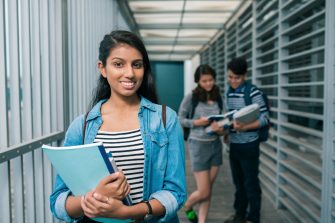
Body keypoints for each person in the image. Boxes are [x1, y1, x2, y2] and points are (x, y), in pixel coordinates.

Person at [50, 30, 186, 223]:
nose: (129, 73)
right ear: (102, 68)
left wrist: (127, 213)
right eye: (118, 64)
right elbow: (58, 202)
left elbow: (176, 193)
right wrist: (94, 197)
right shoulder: (81, 127)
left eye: (137, 65)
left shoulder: (165, 120)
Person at [223, 58, 269, 223]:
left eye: (237, 78)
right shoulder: (229, 91)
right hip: (234, 145)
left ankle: (253, 218)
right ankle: (239, 215)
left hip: (249, 145)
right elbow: (231, 116)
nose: (233, 81)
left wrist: (246, 127)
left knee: (251, 184)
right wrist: (227, 131)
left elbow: (265, 118)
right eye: (230, 77)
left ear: (244, 76)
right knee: (239, 184)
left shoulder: (253, 92)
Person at [178, 64, 225, 223]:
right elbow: (180, 119)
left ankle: (202, 221)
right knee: (204, 191)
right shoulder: (191, 97)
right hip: (198, 146)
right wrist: (198, 122)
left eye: (210, 80)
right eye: (204, 81)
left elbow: (225, 120)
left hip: (215, 146)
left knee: (208, 190)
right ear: (198, 81)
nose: (208, 84)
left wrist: (221, 128)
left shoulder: (219, 96)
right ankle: (188, 206)